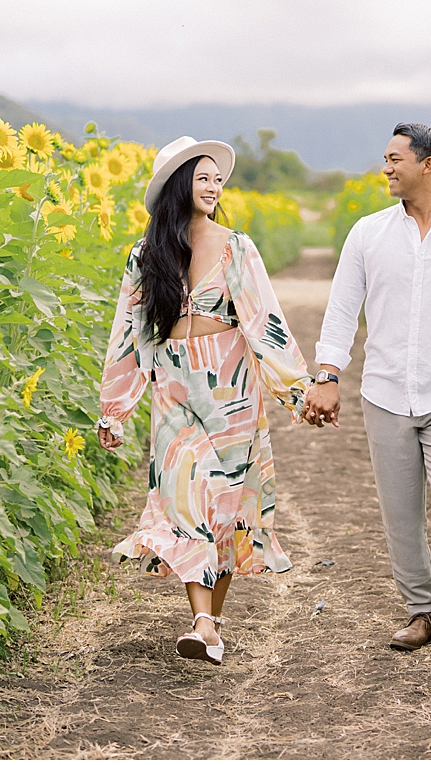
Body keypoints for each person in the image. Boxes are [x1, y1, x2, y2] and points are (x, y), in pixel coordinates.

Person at [302, 122, 431, 662]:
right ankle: (422, 612)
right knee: (401, 512)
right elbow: (343, 310)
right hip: (387, 391)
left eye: (396, 158)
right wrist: (327, 376)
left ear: (429, 164)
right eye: (384, 158)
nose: (386, 167)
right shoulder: (368, 234)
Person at [97, 136, 312, 665]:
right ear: (179, 185)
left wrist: (298, 391)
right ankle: (202, 621)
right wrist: (115, 408)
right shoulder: (145, 256)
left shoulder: (237, 246)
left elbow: (265, 321)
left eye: (219, 179)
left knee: (226, 507)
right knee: (185, 494)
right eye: (204, 178)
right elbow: (128, 332)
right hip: (174, 388)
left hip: (230, 387)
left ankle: (208, 625)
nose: (215, 187)